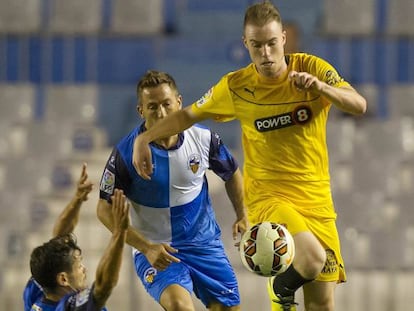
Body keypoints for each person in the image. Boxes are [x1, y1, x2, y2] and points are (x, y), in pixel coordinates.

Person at [131, 2, 367, 311]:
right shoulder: (236, 87)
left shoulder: (312, 68)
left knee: (322, 304)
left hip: (317, 199)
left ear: (283, 38)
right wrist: (145, 138)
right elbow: (187, 115)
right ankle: (279, 287)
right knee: (311, 258)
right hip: (270, 197)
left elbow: (358, 105)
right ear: (246, 44)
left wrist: (323, 88)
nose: (266, 53)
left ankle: (284, 290)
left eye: (271, 43)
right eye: (257, 45)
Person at [97, 70, 248, 311]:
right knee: (179, 306)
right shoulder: (125, 153)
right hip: (157, 249)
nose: (162, 113)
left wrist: (242, 214)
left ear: (179, 102)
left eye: (167, 104)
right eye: (153, 107)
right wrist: (146, 247)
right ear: (141, 111)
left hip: (204, 244)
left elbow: (231, 173)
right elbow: (103, 209)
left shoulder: (204, 139)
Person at [23, 163, 130, 311]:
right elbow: (103, 287)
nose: (84, 270)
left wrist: (78, 199)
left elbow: (59, 239)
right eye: (79, 266)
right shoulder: (68, 307)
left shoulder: (36, 291)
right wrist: (119, 233)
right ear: (63, 279)